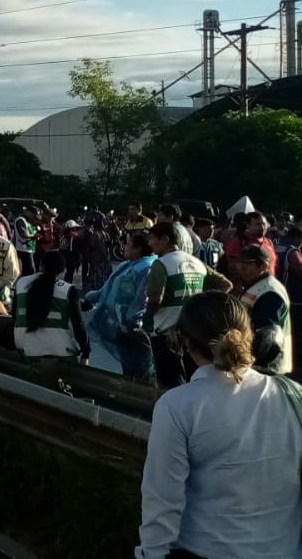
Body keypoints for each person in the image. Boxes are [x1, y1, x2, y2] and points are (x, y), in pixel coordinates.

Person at [135, 291, 302, 559]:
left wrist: (150, 554)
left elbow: (162, 500)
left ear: (185, 342)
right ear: (249, 333)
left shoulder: (178, 406)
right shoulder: (293, 395)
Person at [144, 221, 208, 389]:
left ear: (165, 239)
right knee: (193, 377)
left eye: (152, 239)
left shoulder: (162, 264)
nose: (150, 243)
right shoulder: (197, 263)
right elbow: (225, 285)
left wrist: (147, 318)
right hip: (192, 329)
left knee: (169, 380)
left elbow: (155, 300)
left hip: (166, 330)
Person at [86, 232, 156, 380]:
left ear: (137, 249)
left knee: (141, 370)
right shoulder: (126, 265)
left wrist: (132, 322)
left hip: (134, 327)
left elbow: (141, 300)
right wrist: (91, 299)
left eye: (128, 244)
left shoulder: (147, 268)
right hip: (121, 326)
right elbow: (107, 288)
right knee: (129, 368)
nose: (124, 247)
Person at [227, 244, 294, 376]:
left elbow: (267, 337)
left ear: (263, 266)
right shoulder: (253, 285)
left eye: (247, 263)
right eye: (239, 261)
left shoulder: (269, 292)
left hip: (268, 368)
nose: (240, 267)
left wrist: (252, 362)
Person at [14, 252, 90, 361]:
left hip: (25, 348)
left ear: (41, 265)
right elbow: (78, 325)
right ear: (63, 269)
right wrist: (86, 352)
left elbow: (14, 315)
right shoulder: (68, 290)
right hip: (60, 351)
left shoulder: (21, 283)